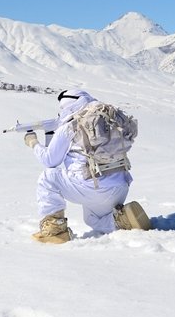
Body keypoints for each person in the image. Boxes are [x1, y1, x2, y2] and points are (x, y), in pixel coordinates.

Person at [24, 89, 149, 244]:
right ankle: (123, 219)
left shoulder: (72, 125)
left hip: (92, 186)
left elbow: (50, 161)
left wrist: (33, 143)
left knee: (47, 177)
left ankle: (54, 232)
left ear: (68, 106)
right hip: (120, 186)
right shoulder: (108, 117)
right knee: (92, 219)